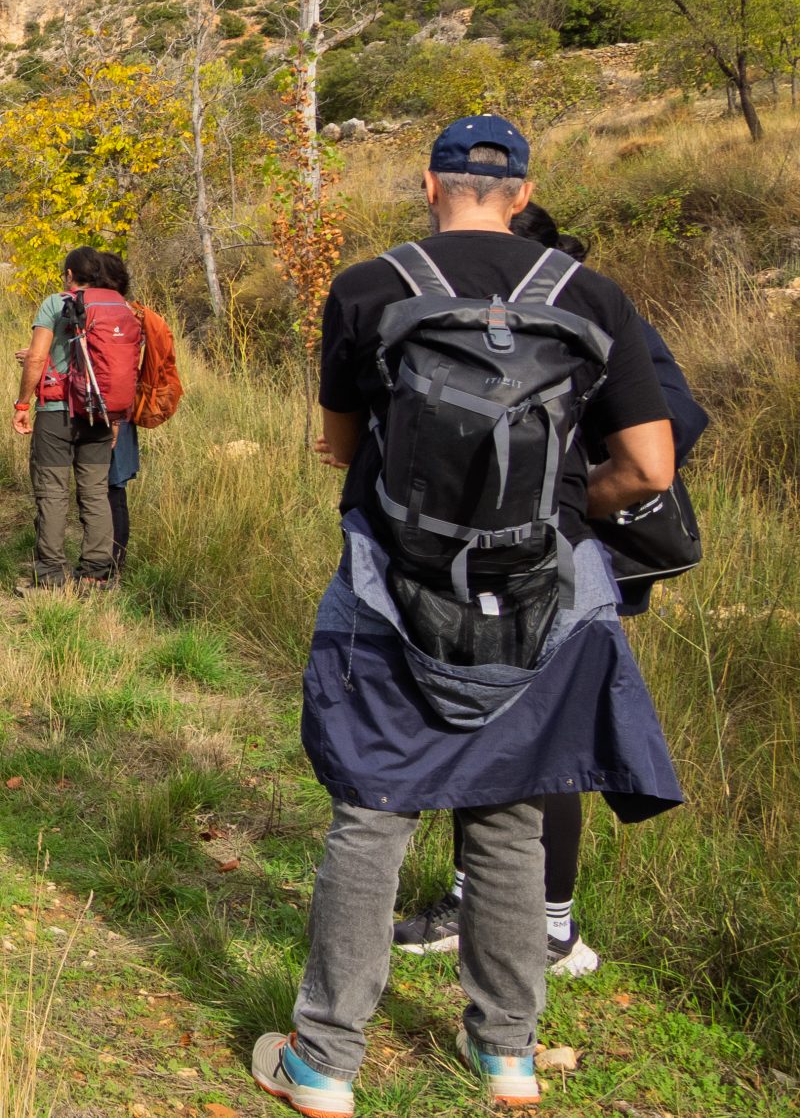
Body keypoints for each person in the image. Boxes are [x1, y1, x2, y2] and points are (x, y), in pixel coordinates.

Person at [253, 116, 683, 1117]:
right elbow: (650, 465)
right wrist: (571, 511)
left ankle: (322, 1063)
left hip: (391, 592)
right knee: (510, 813)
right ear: (523, 192)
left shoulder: (369, 286)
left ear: (426, 184)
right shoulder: (589, 294)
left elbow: (335, 446)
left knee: (371, 811)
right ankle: (506, 1056)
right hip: (543, 597)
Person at [389, 202, 713, 982]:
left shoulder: (580, 308)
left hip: (560, 560)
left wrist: (571, 494)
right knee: (518, 726)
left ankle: (541, 923)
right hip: (513, 556)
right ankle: (513, 911)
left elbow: (676, 425)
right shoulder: (553, 310)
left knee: (538, 731)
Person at [16, 248, 121, 591]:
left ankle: (51, 575)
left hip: (57, 413)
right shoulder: (117, 307)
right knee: (95, 493)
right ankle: (95, 574)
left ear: (71, 274)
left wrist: (21, 404)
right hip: (101, 413)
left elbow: (36, 358)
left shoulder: (54, 303)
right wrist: (115, 418)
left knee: (52, 492)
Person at [91, 251, 144, 570]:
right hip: (124, 409)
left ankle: (105, 564)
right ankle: (115, 564)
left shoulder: (103, 313)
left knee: (104, 489)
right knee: (115, 487)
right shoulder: (130, 312)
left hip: (104, 411)